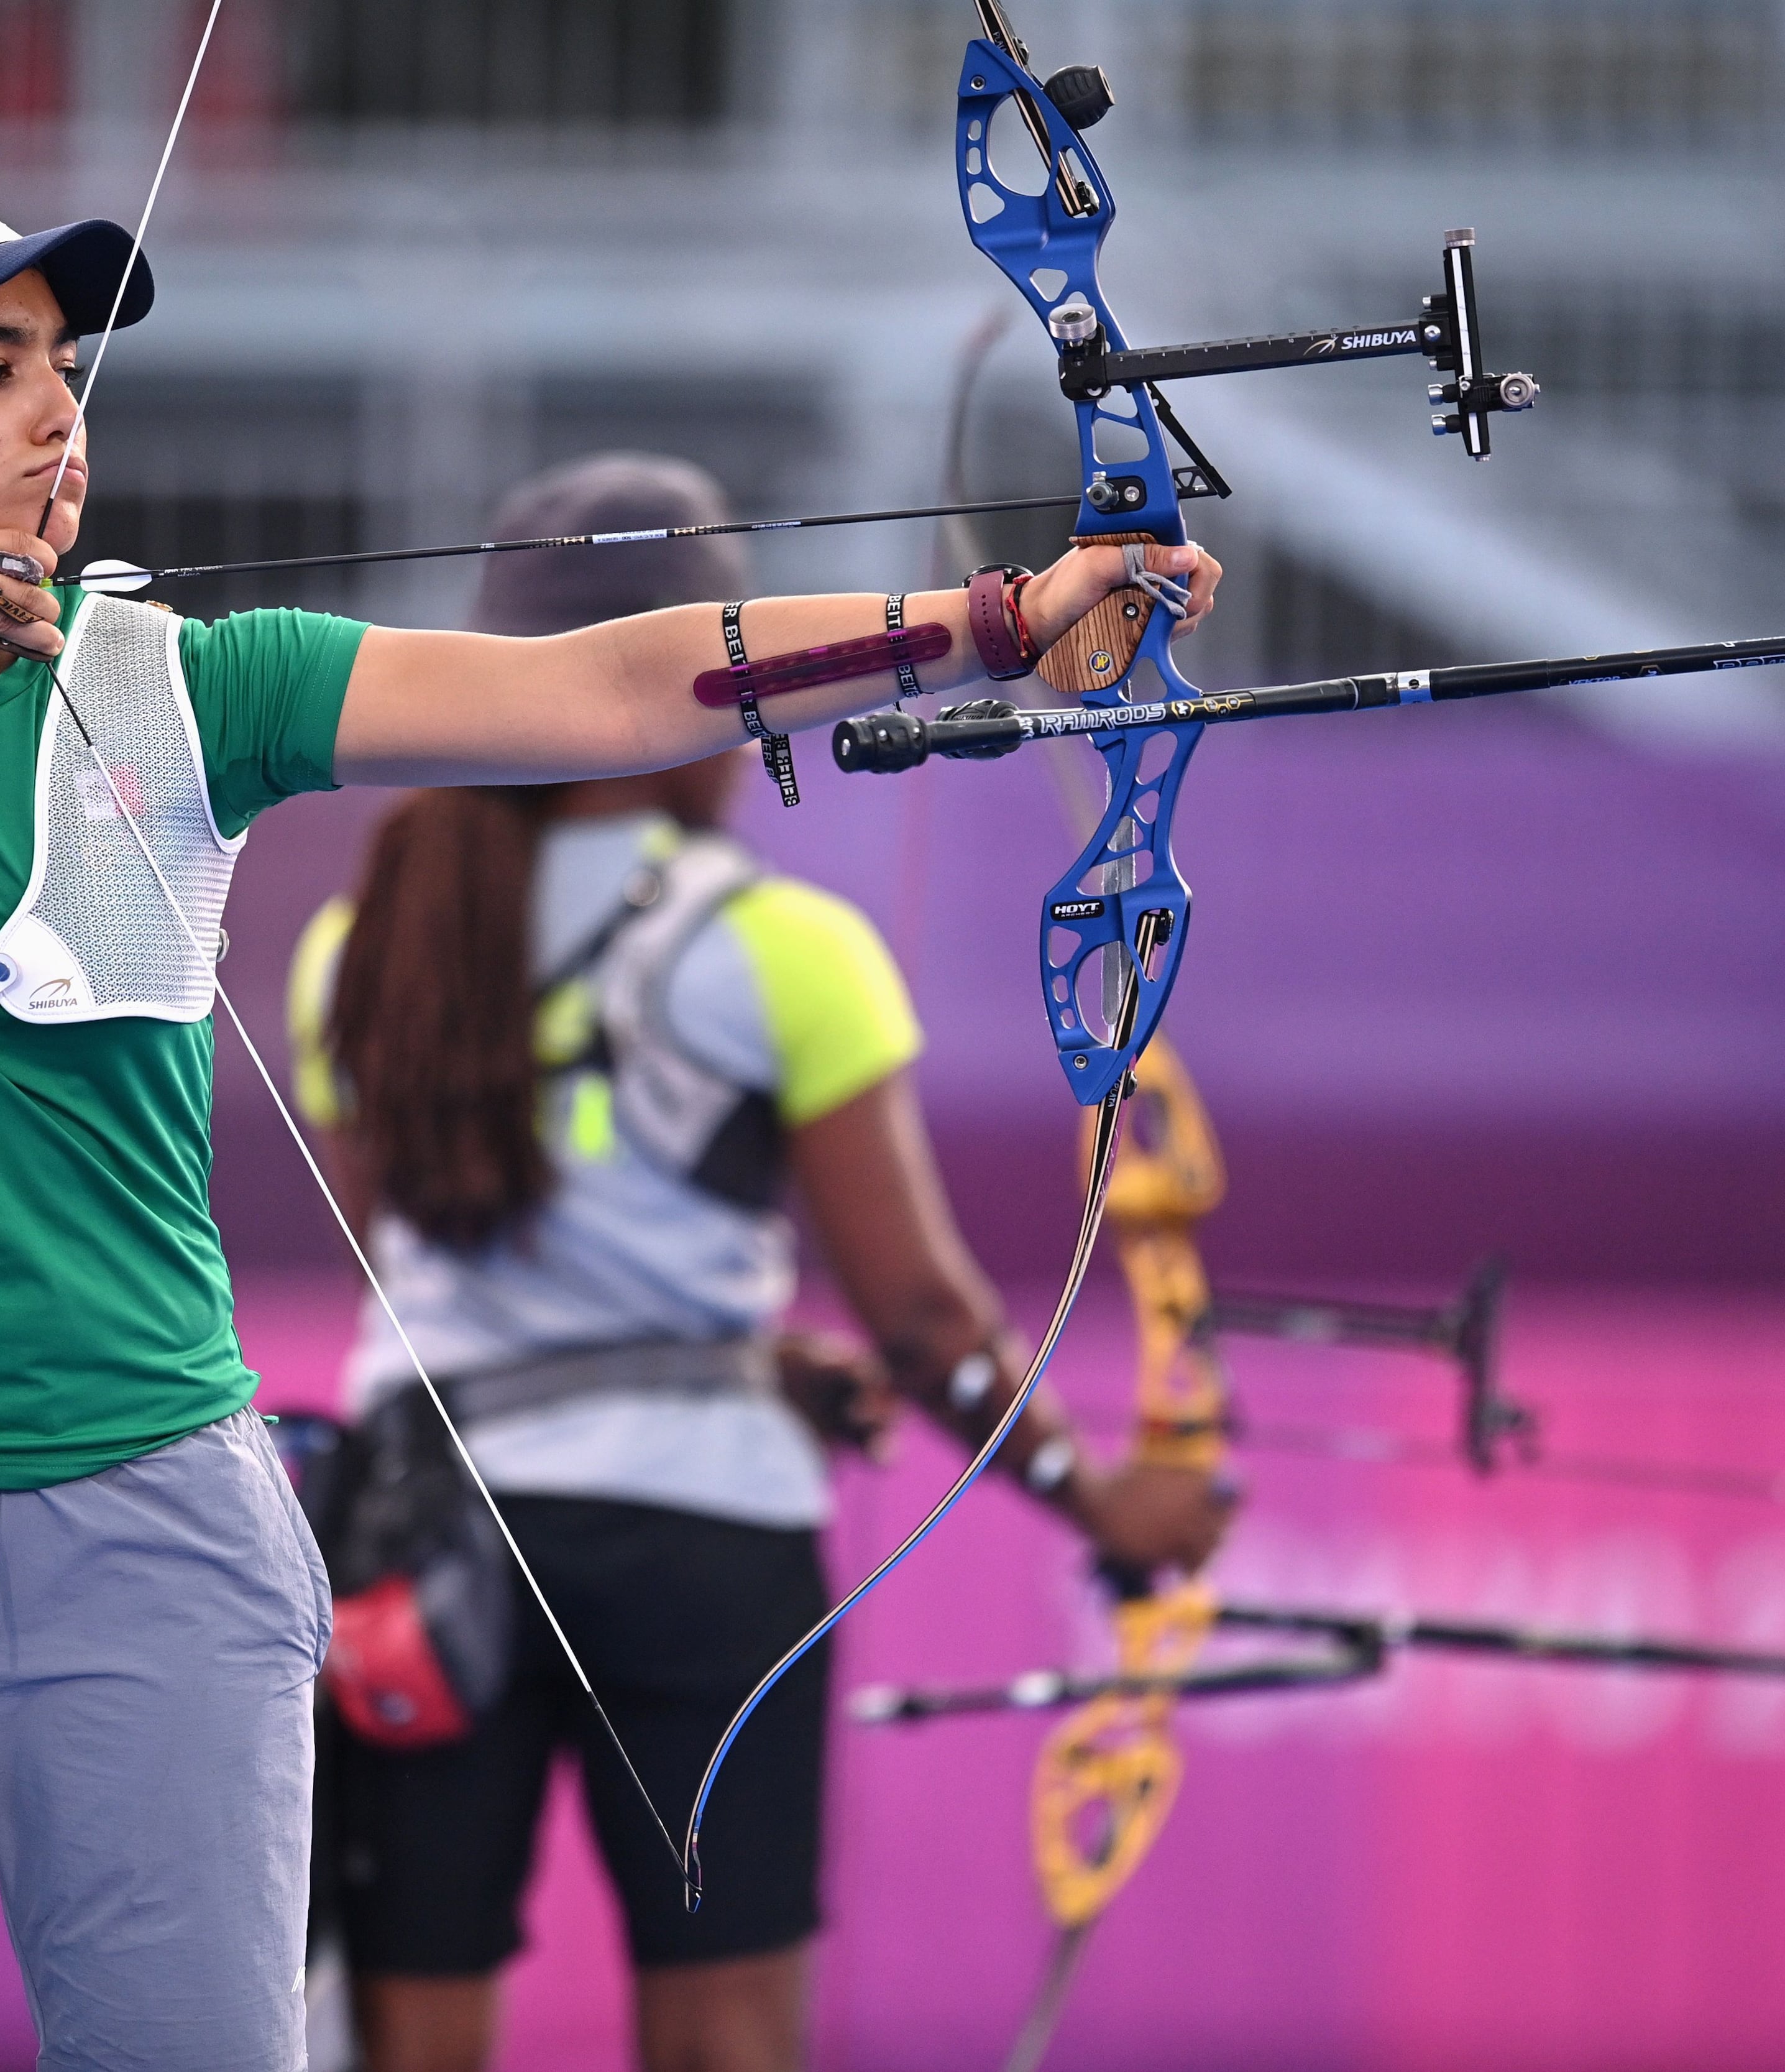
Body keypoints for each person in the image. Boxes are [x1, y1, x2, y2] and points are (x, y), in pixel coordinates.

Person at [0, 193, 1220, 2071]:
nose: (55, 416)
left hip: (152, 1512)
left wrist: (993, 621)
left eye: (68, 372)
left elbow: (599, 684)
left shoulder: (188, 687)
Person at [288, 454, 1237, 2072]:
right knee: (728, 2045)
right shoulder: (782, 944)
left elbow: (453, 1257)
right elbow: (925, 1317)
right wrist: (1103, 1500)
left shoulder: (349, 947)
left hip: (417, 1536)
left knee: (412, 2036)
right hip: (700, 1544)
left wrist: (734, 1354)